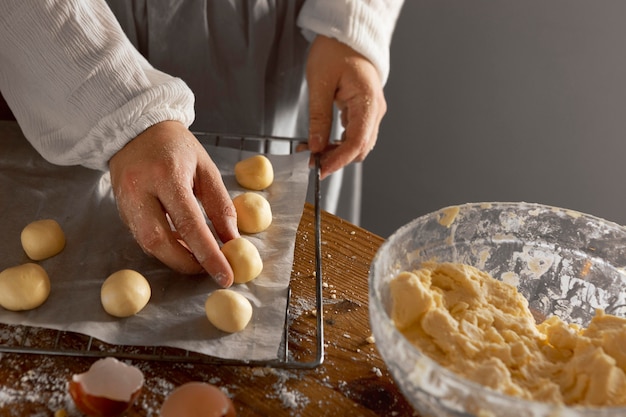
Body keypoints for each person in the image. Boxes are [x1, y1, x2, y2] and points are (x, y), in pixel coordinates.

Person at [0, 0, 403, 287]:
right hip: (72, 38)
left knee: (288, 245)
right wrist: (118, 110)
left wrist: (351, 23)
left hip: (276, 38)